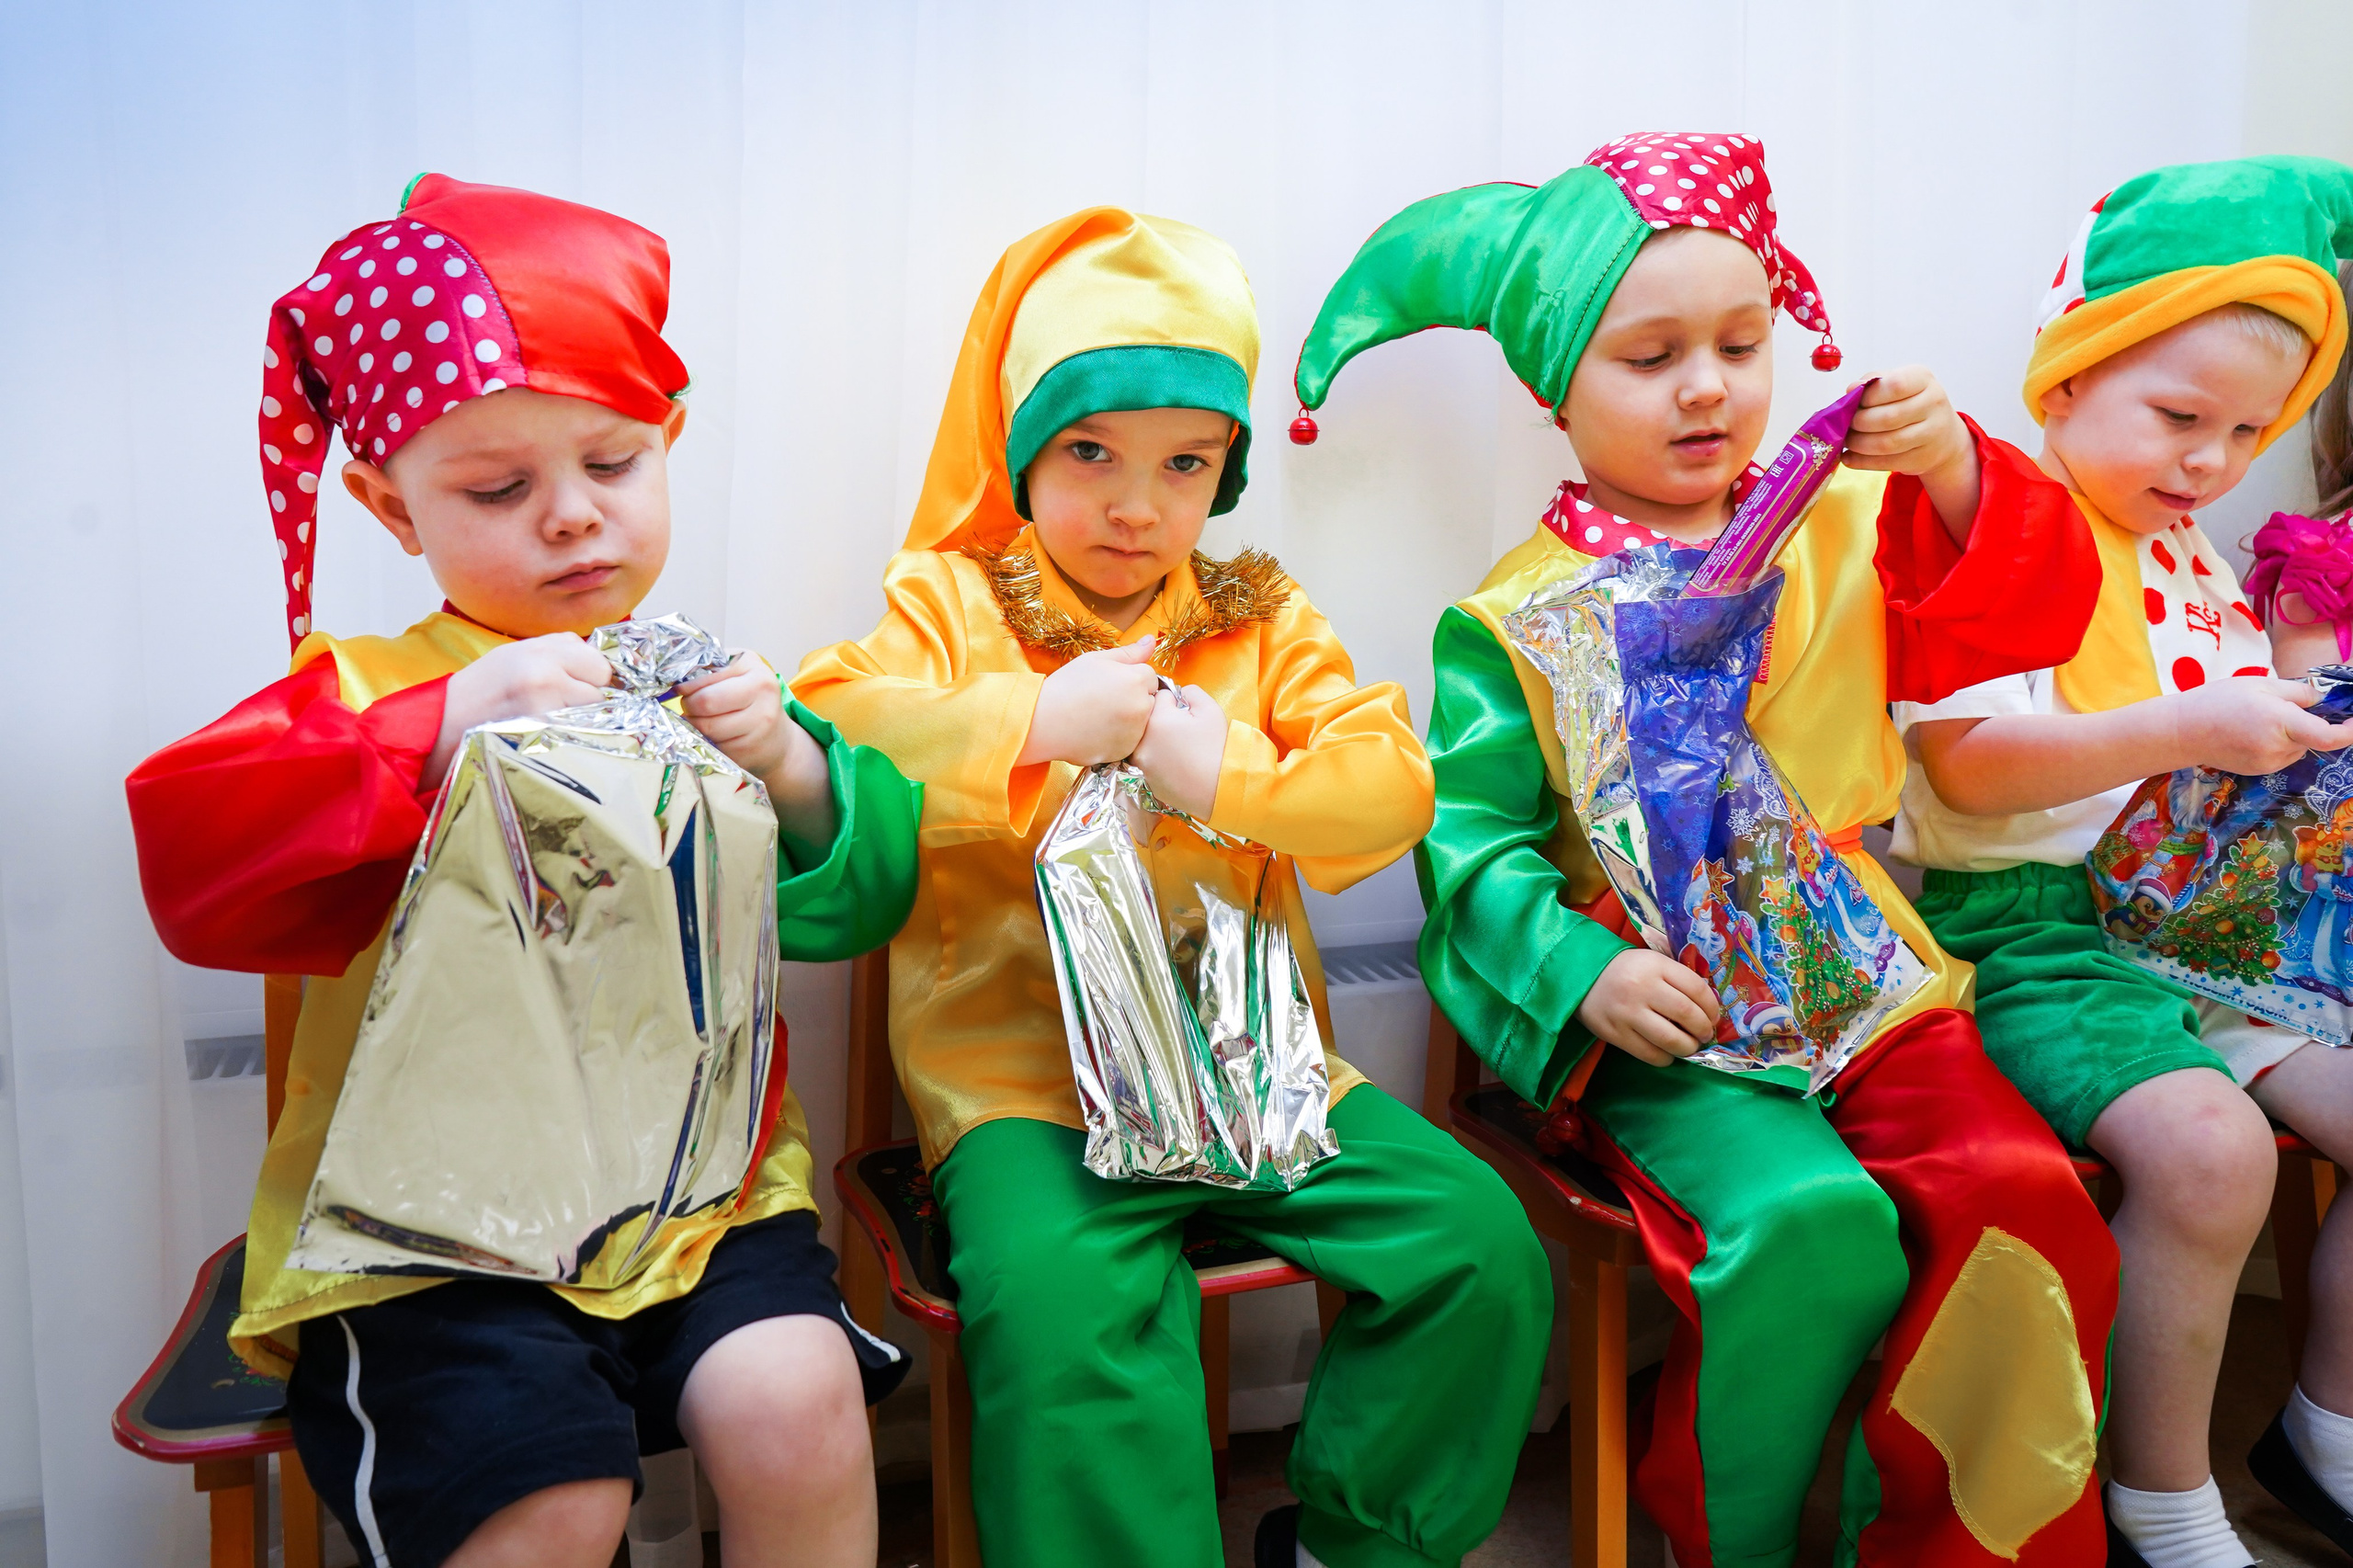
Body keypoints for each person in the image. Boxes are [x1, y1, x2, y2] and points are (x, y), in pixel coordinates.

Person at [1297, 132, 2120, 1567]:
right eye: (1650, 354)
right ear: (1557, 387)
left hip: (1867, 985)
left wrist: (1956, 471)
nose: (1708, 385)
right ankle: (1719, 1539)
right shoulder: (1508, 616)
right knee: (1811, 1222)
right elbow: (1472, 847)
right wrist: (1583, 972)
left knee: (2020, 1188)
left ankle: (1971, 1550)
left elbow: (2032, 606)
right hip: (1669, 1019)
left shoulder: (1851, 524)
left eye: (1743, 344)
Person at [125, 175, 921, 1568]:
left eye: (612, 464)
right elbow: (195, 862)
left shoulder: (715, 691)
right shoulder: (367, 689)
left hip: (705, 1195)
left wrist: (794, 766)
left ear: (668, 442)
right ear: (389, 504)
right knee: (549, 1501)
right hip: (428, 1232)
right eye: (500, 487)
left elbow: (862, 898)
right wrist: (436, 725)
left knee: (798, 1408)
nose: (571, 519)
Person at [792, 208, 1552, 1568]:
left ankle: (1347, 1544)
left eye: (1186, 463)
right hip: (1031, 1089)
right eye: (1091, 453)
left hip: (1256, 1069)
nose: (1138, 505)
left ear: (1225, 473)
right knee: (1070, 1309)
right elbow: (830, 717)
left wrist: (1234, 773)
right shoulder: (953, 605)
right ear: (1026, 447)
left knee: (1478, 1249)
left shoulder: (1260, 619)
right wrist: (1032, 715)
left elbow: (1394, 784)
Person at [1894, 155, 2353, 1567]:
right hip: (2040, 930)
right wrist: (2187, 726)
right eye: (2177, 417)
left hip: (2211, 928)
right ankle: (2164, 1496)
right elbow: (1966, 766)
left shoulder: (2200, 553)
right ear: (2068, 379)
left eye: (2248, 430)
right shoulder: (1995, 526)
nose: (2210, 461)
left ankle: (2325, 1426)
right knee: (2214, 1157)